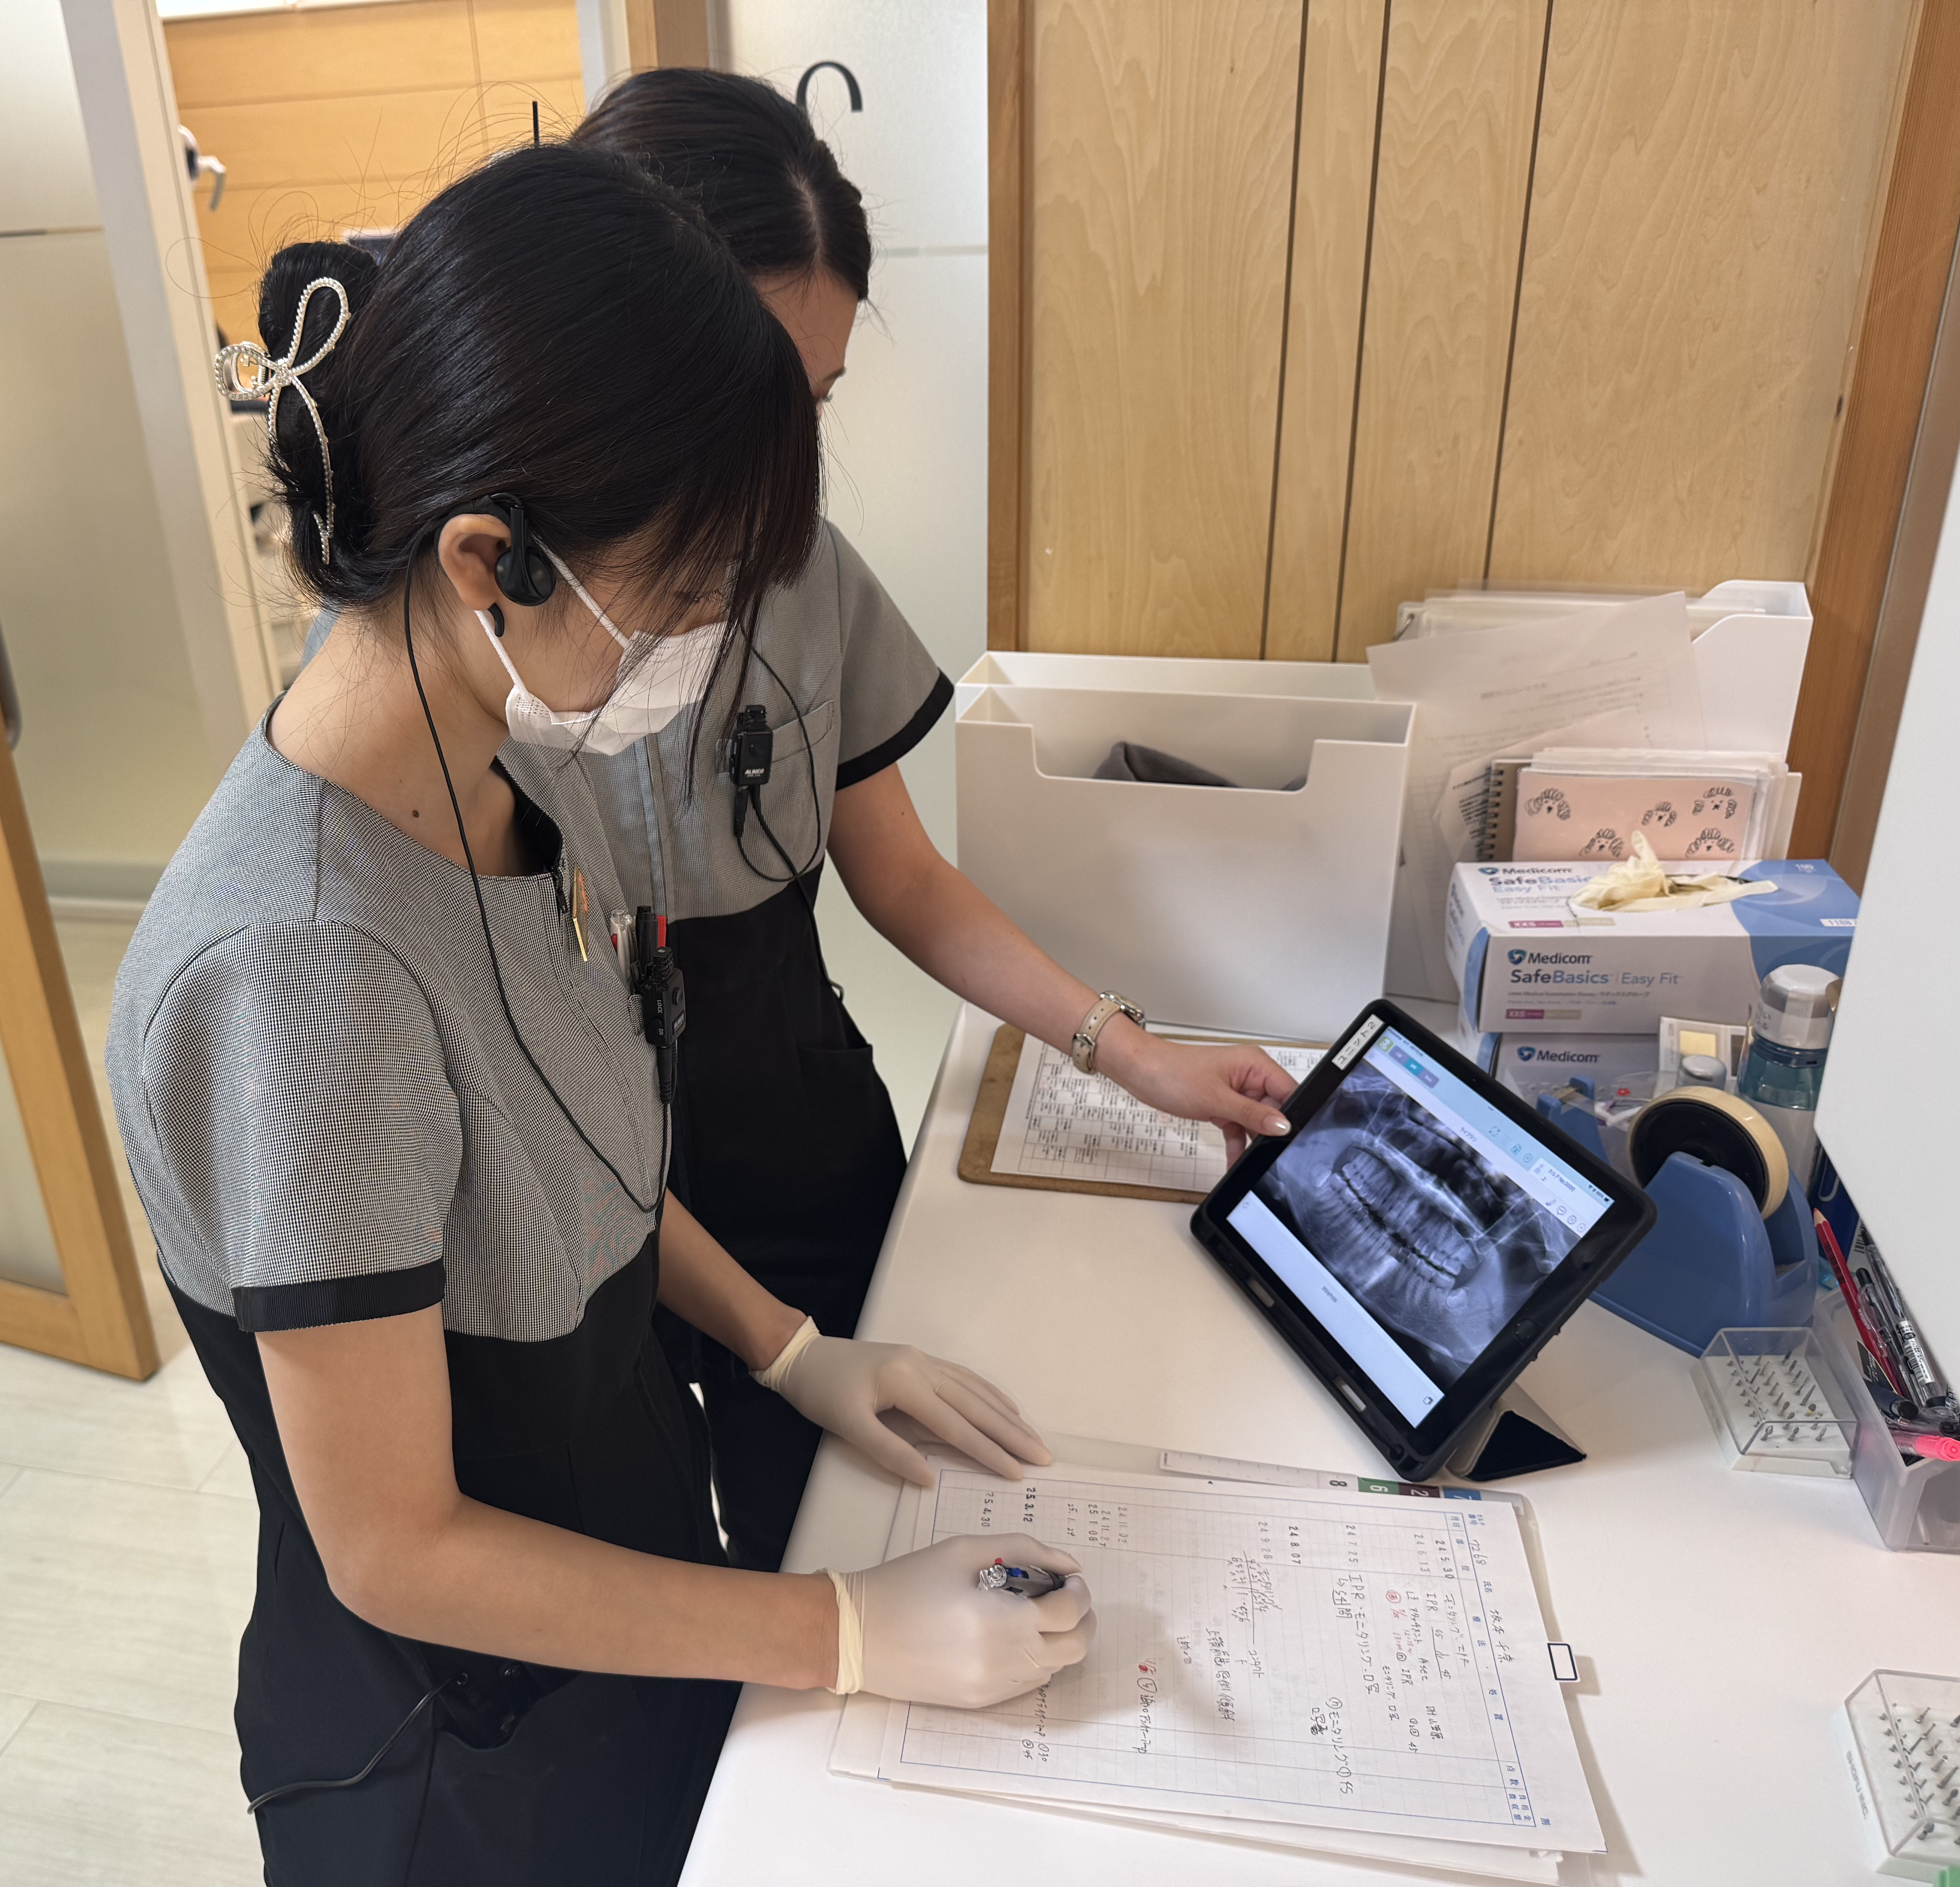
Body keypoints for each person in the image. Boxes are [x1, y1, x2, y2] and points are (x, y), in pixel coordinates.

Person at [107, 145, 1093, 1887]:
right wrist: (843, 1629)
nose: (713, 646)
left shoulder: (515, 786)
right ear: (494, 559)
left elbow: (584, 1169)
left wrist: (791, 1350)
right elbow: (397, 1546)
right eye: (692, 602)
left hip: (624, 1616)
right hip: (465, 1758)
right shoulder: (306, 975)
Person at [547, 70, 1300, 1575]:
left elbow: (899, 876)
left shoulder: (801, 571)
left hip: (789, 1133)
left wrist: (1132, 1051)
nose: (779, 474)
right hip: (572, 1196)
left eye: (813, 408)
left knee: (866, 1538)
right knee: (663, 1596)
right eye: (752, 405)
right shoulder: (474, 638)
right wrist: (772, 1350)